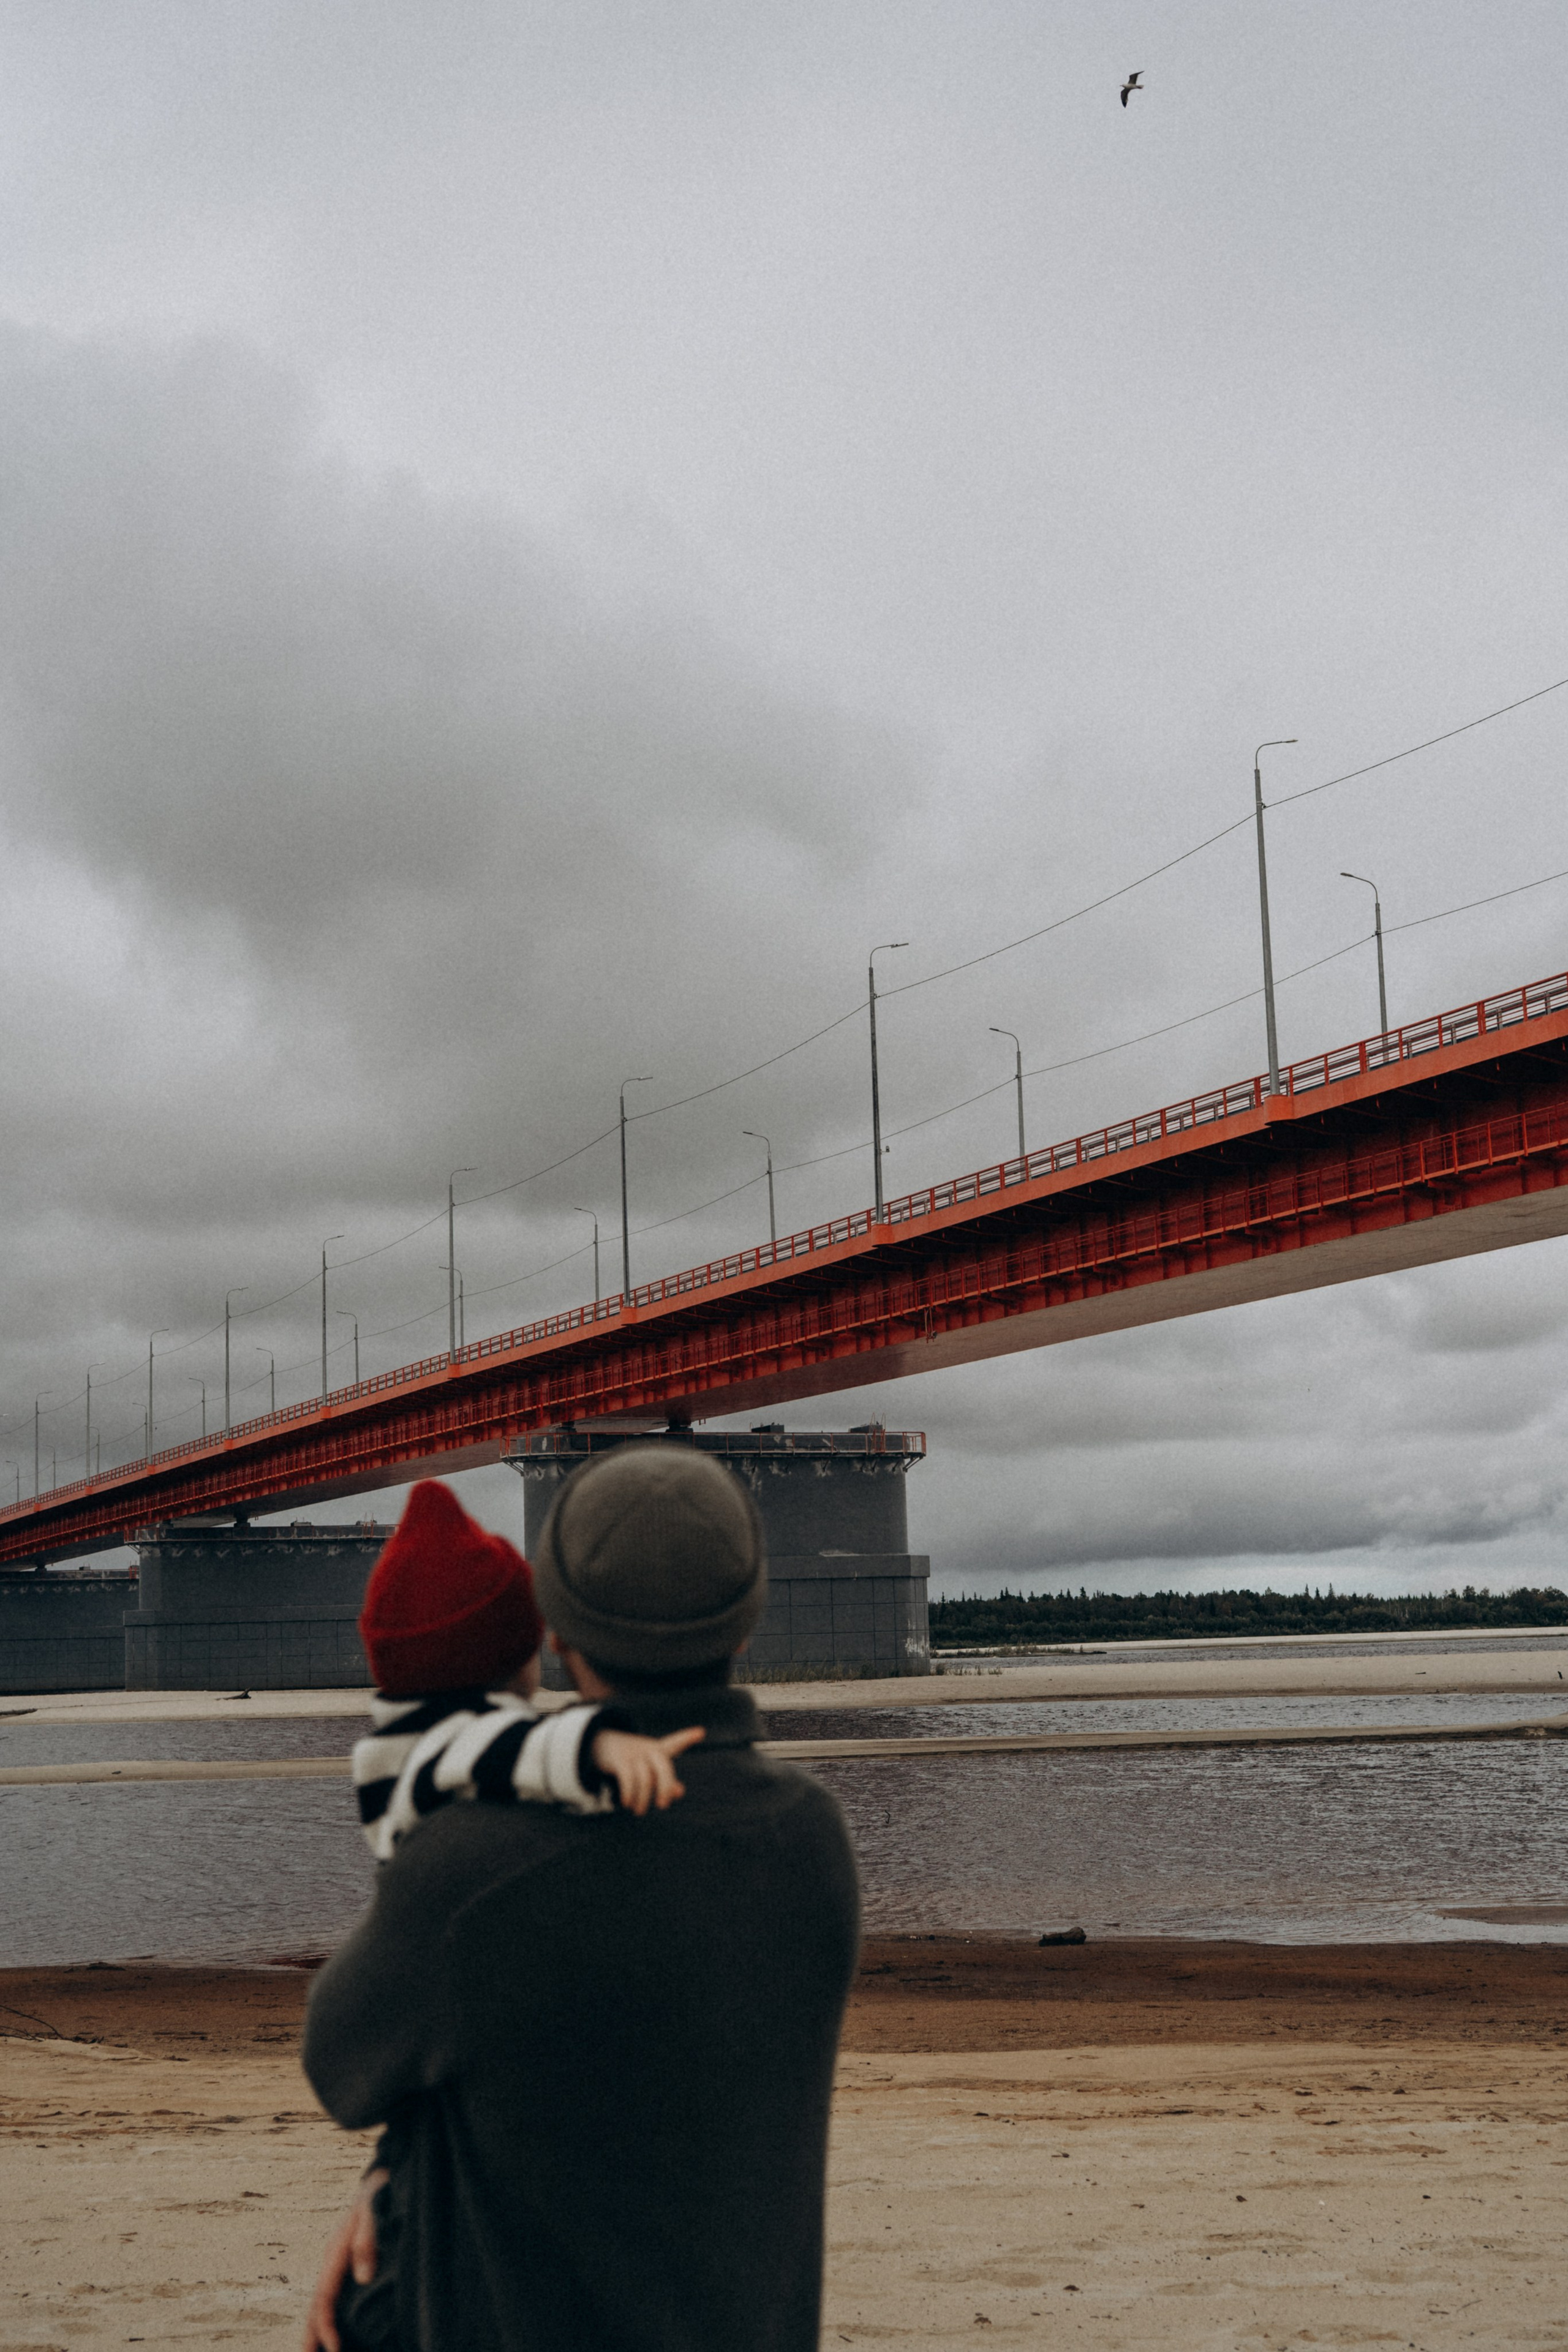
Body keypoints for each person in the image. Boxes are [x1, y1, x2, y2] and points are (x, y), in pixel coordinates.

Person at [302, 1442, 861, 2352]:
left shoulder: (472, 1867)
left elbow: (343, 2065)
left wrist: (393, 2178)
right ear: (746, 1626)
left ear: (554, 1633)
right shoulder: (808, 1840)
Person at [323, 1475, 706, 2352]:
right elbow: (497, 1748)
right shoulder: (433, 1754)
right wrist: (595, 1741)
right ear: (516, 1657)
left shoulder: (405, 1739)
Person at [350, 1479, 701, 1863]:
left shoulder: (392, 1749)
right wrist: (593, 1745)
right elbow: (478, 1748)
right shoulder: (446, 1746)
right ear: (513, 1660)